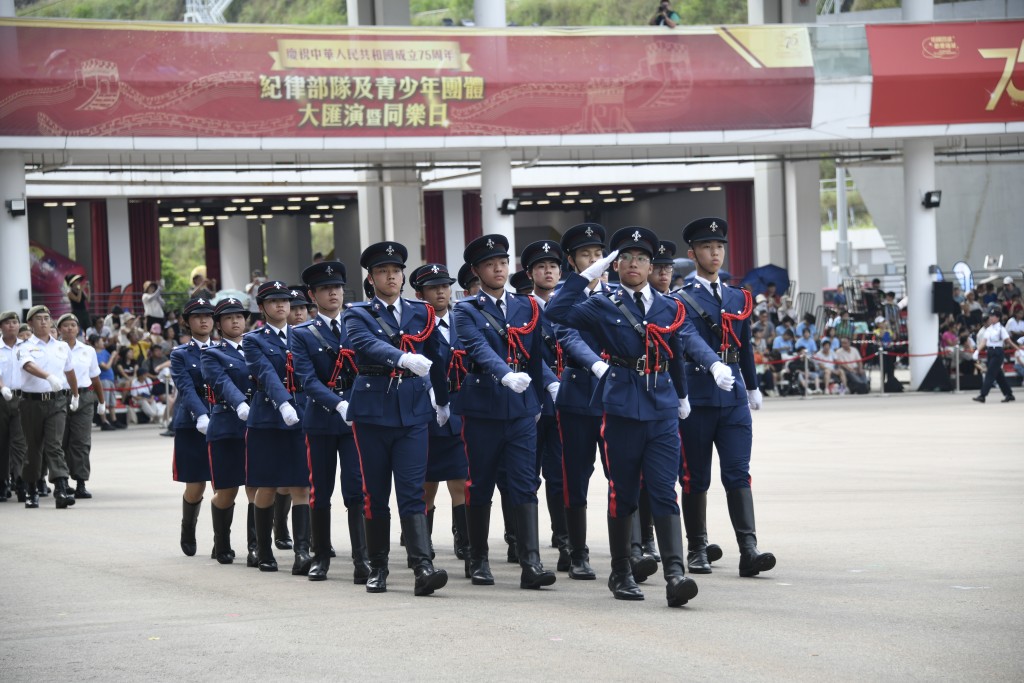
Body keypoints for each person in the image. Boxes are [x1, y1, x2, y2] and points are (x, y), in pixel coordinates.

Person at [547, 226, 699, 607]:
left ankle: (676, 573)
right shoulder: (604, 303)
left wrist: (681, 394)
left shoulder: (670, 306)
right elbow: (555, 312)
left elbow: (675, 352)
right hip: (620, 407)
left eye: (642, 258)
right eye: (627, 258)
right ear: (615, 267)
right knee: (624, 491)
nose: (635, 264)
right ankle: (621, 571)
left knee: (665, 489)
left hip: (661, 406)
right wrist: (586, 276)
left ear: (651, 265)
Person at [672, 217, 776, 579]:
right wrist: (710, 370)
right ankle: (697, 548)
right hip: (698, 396)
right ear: (692, 253)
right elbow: (685, 340)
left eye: (719, 247)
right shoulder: (680, 300)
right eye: (706, 247)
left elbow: (744, 345)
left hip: (732, 399)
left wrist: (752, 385)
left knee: (737, 473)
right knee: (695, 477)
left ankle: (749, 549)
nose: (714, 253)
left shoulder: (738, 297)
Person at [454, 234, 559, 591]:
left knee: (524, 483)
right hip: (483, 405)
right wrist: (505, 374)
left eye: (502, 263)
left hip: (521, 407)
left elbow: (536, 355)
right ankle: (478, 557)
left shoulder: (527, 306)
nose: (498, 269)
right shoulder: (465, 309)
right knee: (480, 483)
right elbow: (477, 348)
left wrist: (550, 383)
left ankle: (531, 561)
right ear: (476, 271)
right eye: (490, 264)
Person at [345, 241, 450, 596]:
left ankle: (422, 566)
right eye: (382, 272)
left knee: (411, 491)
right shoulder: (357, 313)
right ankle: (378, 567)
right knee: (375, 493)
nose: (391, 276)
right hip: (374, 413)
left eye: (396, 271)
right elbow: (365, 344)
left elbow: (438, 355)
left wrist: (443, 400)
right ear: (371, 279)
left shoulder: (422, 312)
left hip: (413, 412)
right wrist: (402, 359)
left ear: (403, 275)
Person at [291, 262, 369, 584]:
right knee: (320, 491)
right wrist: (338, 404)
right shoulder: (302, 334)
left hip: (355, 422)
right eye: (325, 289)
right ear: (313, 295)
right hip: (322, 420)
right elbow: (307, 380)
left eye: (337, 287)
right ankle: (320, 556)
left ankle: (362, 558)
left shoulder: (358, 325)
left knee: (355, 490)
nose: (333, 293)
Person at [553, 223, 614, 582]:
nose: (594, 261)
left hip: (615, 396)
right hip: (577, 392)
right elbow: (567, 334)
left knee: (620, 474)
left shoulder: (619, 293)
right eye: (586, 256)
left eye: (598, 254)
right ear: (572, 262)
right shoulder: (565, 296)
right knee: (575, 476)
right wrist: (596, 363)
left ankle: (631, 547)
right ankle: (577, 552)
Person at [243, 280, 313, 574]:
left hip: (301, 415)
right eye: (274, 301)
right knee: (268, 485)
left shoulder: (303, 335)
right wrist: (283, 402)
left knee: (300, 484)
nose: (282, 305)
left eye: (285, 300)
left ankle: (302, 551)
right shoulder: (253, 339)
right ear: (262, 308)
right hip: (268, 418)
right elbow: (266, 374)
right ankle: (262, 547)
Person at [409, 263, 471, 571]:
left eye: (445, 286)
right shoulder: (415, 325)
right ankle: (424, 541)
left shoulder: (464, 320)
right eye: (434, 287)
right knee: (426, 483)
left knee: (461, 479)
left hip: (459, 407)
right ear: (420, 294)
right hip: (425, 410)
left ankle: (464, 538)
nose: (441, 292)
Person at [521, 239, 570, 573]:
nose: (548, 271)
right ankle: (522, 542)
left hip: (567, 403)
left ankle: (564, 541)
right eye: (541, 267)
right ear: (530, 273)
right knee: (526, 477)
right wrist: (550, 379)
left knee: (560, 475)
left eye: (552, 266)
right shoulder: (522, 308)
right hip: (534, 402)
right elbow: (527, 354)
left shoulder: (570, 305)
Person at [200, 297, 256, 566]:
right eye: (229, 317)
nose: (236, 321)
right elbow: (221, 383)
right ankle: (221, 541)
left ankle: (257, 545)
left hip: (258, 425)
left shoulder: (257, 347)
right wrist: (240, 404)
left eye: (240, 316)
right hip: (227, 427)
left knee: (257, 487)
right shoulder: (212, 353)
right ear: (219, 325)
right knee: (227, 491)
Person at [16, 305, 79, 509]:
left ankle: (61, 489)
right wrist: (48, 376)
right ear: (30, 324)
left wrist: (76, 394)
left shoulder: (61, 346)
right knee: (33, 448)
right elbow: (27, 365)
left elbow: (70, 372)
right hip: (31, 403)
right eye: (39, 318)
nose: (44, 321)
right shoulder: (24, 346)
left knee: (54, 445)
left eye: (47, 318)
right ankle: (32, 489)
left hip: (57, 402)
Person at [171, 297, 216, 555]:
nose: (204, 320)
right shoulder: (180, 354)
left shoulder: (224, 349)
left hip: (221, 420)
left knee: (223, 484)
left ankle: (221, 540)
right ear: (187, 322)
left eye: (208, 315)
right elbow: (186, 388)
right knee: (196, 484)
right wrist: (201, 415)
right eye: (198, 316)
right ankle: (188, 527)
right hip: (192, 424)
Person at [56, 314, 104, 499]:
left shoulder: (88, 351)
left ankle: (81, 482)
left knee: (81, 441)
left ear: (78, 329)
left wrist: (102, 401)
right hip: (60, 397)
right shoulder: (55, 349)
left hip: (84, 398)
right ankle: (63, 481)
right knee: (62, 441)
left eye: (73, 325)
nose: (69, 328)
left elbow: (95, 377)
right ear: (59, 329)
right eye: (65, 325)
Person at [0, 311, 27, 501]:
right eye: (7, 323)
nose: (12, 325)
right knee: (2, 443)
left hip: (22, 398)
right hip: (2, 398)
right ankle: (2, 481)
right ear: (1, 327)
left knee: (19, 443)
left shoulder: (26, 348)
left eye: (15, 322)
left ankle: (19, 480)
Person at [972, 309, 1018, 403]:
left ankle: (982, 395)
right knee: (998, 375)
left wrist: (1018, 349)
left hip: (998, 352)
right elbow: (984, 342)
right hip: (990, 352)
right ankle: (1009, 394)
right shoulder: (989, 329)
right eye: (990, 316)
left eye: (993, 316)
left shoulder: (1001, 328)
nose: (991, 318)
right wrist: (977, 351)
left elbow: (1008, 341)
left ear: (998, 318)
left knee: (990, 374)